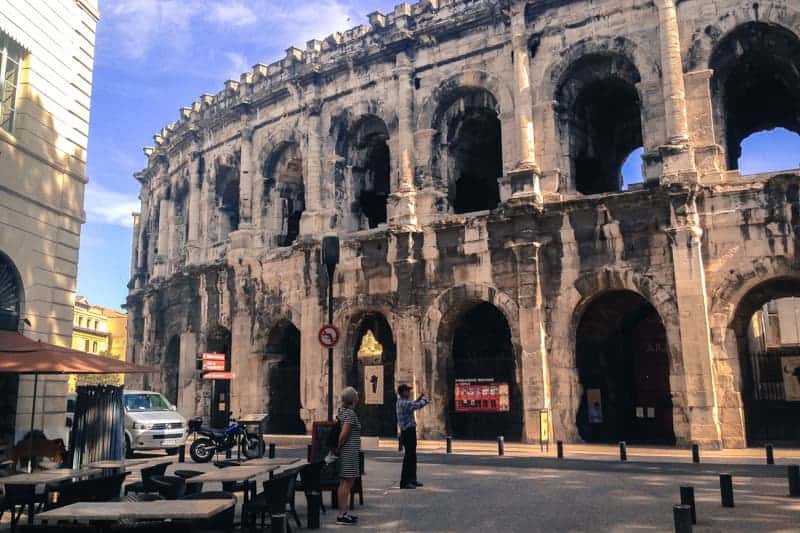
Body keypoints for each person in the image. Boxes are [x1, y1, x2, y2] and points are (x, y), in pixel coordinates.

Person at [335, 386, 362, 525]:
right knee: (346, 482)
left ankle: (344, 512)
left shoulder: (344, 411)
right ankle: (341, 514)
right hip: (348, 452)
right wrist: (338, 448)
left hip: (349, 451)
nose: (358, 397)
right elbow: (344, 434)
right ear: (353, 398)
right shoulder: (350, 414)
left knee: (347, 482)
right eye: (356, 395)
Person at [395, 384, 429, 489]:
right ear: (403, 392)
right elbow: (416, 406)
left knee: (412, 456)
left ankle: (412, 479)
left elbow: (413, 403)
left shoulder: (401, 402)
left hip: (408, 431)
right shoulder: (404, 403)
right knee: (409, 457)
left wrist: (419, 398)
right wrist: (425, 400)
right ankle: (405, 482)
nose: (409, 392)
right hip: (408, 432)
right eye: (408, 391)